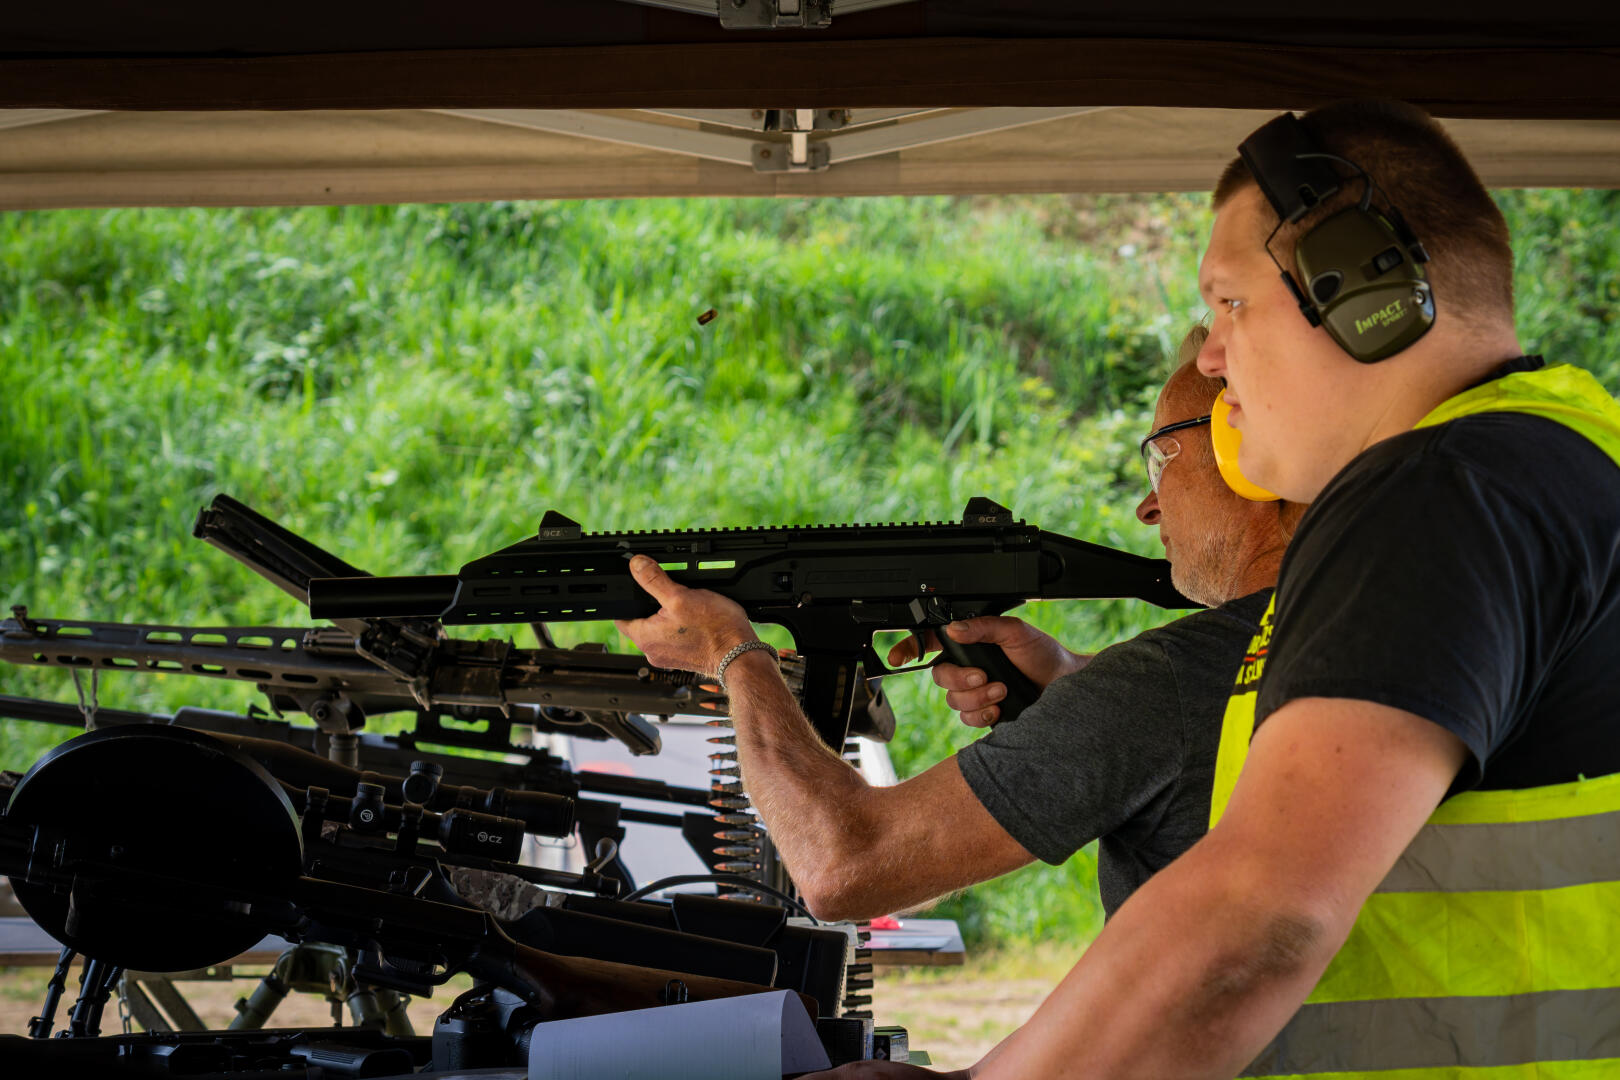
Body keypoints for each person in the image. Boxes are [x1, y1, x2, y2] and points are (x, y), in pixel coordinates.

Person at [800, 99, 1620, 1080]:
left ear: (1363, 289)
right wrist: (1082, 686)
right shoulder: (1540, 459)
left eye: (1230, 303)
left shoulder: (1437, 491)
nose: (1214, 357)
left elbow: (1258, 913)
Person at [615, 328, 1301, 931]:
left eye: (1161, 458)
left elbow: (844, 864)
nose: (1148, 505)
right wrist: (1077, 681)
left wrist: (732, 652)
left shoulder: (1161, 688)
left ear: (1251, 450)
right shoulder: (1341, 634)